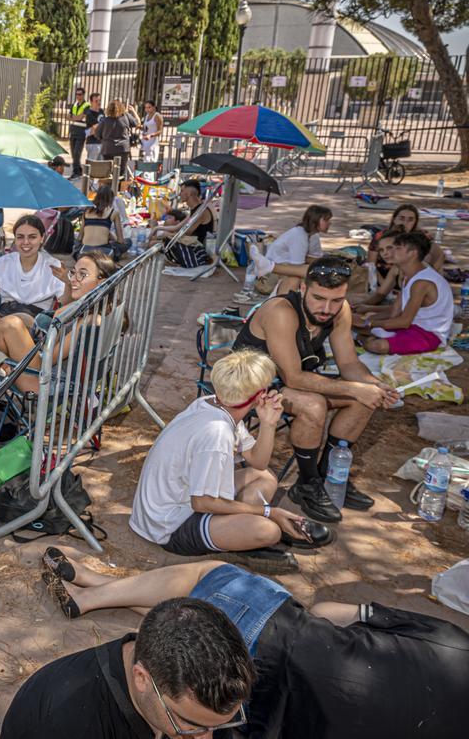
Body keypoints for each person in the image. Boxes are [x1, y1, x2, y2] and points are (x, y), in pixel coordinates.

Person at [34, 553, 469, 739]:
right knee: (188, 622)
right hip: (266, 718)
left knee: (210, 576)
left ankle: (96, 593)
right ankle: (102, 584)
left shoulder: (455, 643)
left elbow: (330, 611)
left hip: (278, 642)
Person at [129, 350, 330, 572]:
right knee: (268, 531)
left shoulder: (214, 404)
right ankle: (250, 538)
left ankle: (242, 535)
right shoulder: (218, 433)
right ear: (260, 394)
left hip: (169, 506)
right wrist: (268, 512)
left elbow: (258, 462)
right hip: (169, 528)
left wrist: (268, 424)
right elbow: (202, 503)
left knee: (265, 477)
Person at [232, 257, 399, 524]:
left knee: (363, 399)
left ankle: (327, 476)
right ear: (303, 289)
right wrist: (356, 388)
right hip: (251, 386)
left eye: (336, 300)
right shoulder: (282, 311)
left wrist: (373, 385)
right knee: (314, 404)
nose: (327, 308)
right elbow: (294, 377)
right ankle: (308, 485)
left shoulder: (339, 310)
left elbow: (348, 363)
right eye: (319, 298)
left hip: (290, 381)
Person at [1, 594, 254, 739]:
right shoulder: (64, 725)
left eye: (219, 725)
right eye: (190, 728)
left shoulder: (199, 697)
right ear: (142, 678)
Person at [0, 251, 119, 394]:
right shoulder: (85, 309)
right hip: (41, 369)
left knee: (10, 324)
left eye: (83, 274)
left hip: (44, 380)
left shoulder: (90, 319)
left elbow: (49, 359)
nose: (73, 279)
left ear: (102, 282)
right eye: (73, 272)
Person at [355, 231, 454, 355]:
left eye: (397, 248)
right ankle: (366, 337)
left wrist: (369, 323)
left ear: (413, 253)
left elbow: (404, 321)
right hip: (412, 327)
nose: (391, 252)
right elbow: (395, 312)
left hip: (429, 334)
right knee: (358, 327)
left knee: (377, 345)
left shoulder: (421, 282)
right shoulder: (408, 275)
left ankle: (365, 340)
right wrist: (364, 319)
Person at [0, 215, 70, 320]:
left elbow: (66, 303)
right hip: (5, 312)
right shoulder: (3, 263)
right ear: (15, 238)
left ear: (42, 238)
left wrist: (67, 283)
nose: (25, 242)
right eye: (20, 237)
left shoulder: (53, 266)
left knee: (9, 323)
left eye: (32, 237)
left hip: (35, 317)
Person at [245, 204, 332, 294]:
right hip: (271, 277)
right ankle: (269, 267)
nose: (329, 223)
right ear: (315, 220)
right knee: (312, 271)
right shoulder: (299, 235)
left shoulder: (312, 235)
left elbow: (311, 258)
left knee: (321, 267)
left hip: (283, 267)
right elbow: (297, 265)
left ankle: (268, 266)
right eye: (326, 220)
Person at [366, 203, 444, 272]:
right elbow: (371, 265)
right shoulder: (380, 237)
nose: (405, 223)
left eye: (410, 220)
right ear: (394, 219)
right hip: (384, 274)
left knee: (429, 255)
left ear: (415, 222)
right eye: (401, 218)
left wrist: (433, 274)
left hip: (412, 275)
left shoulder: (421, 236)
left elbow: (440, 254)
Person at [77, 184, 126, 260]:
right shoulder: (113, 212)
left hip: (84, 250)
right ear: (111, 199)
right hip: (103, 251)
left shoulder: (86, 211)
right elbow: (120, 240)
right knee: (128, 242)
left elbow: (80, 237)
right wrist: (112, 237)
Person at [97, 99, 138, 181]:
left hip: (107, 149)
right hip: (123, 149)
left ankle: (109, 190)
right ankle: (119, 191)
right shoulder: (126, 116)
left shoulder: (104, 120)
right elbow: (137, 123)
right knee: (121, 173)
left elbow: (98, 135)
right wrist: (133, 111)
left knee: (108, 172)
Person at [67, 87, 90, 177]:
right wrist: (76, 117)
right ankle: (77, 170)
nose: (78, 96)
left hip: (81, 131)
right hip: (73, 131)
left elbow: (81, 117)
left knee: (77, 152)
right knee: (73, 152)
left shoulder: (87, 105)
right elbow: (68, 116)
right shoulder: (75, 104)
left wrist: (74, 117)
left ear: (83, 95)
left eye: (80, 94)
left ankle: (76, 171)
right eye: (77, 94)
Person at [139, 100, 163, 164]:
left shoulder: (157, 116)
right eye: (146, 107)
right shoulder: (146, 116)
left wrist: (150, 135)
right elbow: (146, 128)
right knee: (144, 162)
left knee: (150, 163)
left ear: (154, 107)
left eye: (149, 107)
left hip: (153, 143)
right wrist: (140, 127)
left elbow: (160, 131)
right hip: (145, 142)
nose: (147, 109)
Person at [83, 92, 104, 162]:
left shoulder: (101, 111)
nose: (99, 103)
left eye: (99, 100)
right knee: (91, 165)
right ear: (91, 102)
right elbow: (96, 127)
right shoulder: (89, 113)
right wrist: (104, 123)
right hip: (93, 143)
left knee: (101, 167)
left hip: (101, 142)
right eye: (96, 101)